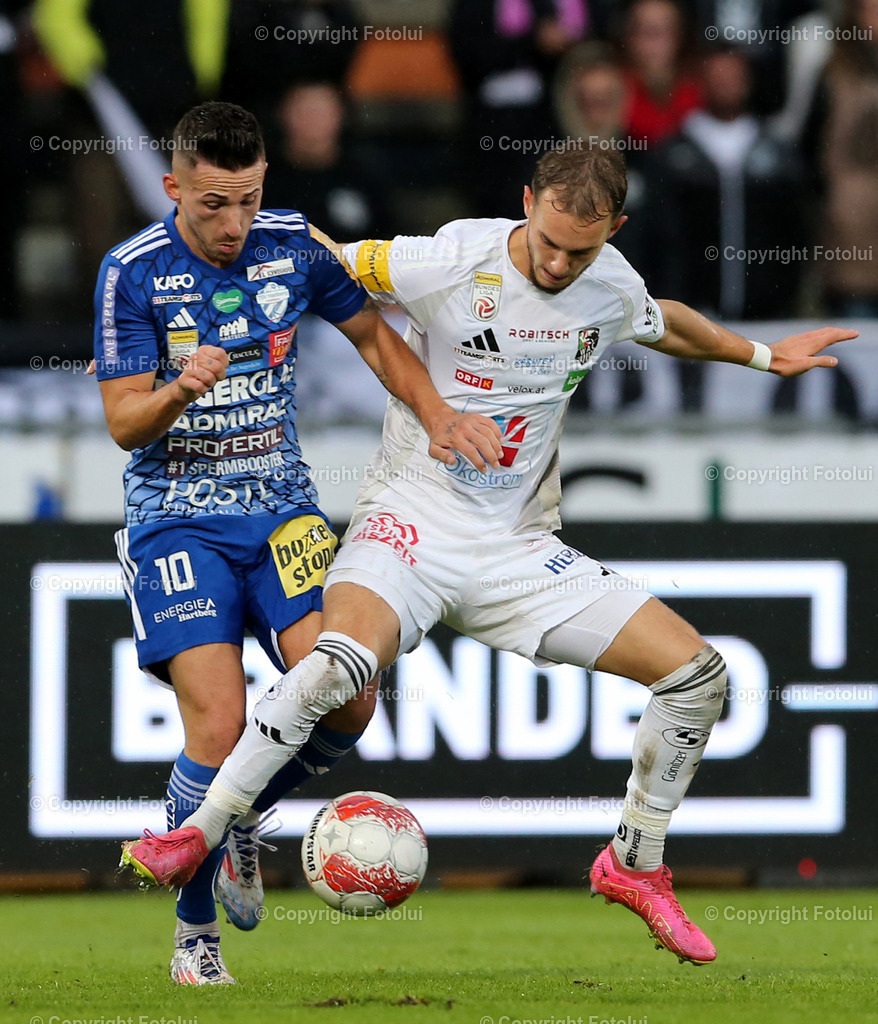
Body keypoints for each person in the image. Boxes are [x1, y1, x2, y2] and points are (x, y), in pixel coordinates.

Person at [120, 143, 854, 969]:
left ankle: (635, 865)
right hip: (408, 523)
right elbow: (323, 254)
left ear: (613, 230)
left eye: (580, 250)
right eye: (547, 239)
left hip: (515, 550)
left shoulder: (606, 283)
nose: (556, 261)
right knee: (335, 669)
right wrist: (225, 234)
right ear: (527, 200)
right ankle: (198, 835)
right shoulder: (450, 258)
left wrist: (763, 356)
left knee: (699, 676)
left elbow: (661, 319)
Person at [95, 100, 501, 986]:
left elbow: (374, 335)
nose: (233, 224)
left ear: (263, 180)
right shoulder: (131, 273)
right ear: (174, 187)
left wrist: (435, 416)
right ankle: (194, 938)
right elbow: (125, 422)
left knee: (350, 698)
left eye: (245, 199)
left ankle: (237, 816)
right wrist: (177, 389)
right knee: (222, 719)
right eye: (211, 205)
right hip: (177, 519)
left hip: (283, 513)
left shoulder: (293, 246)